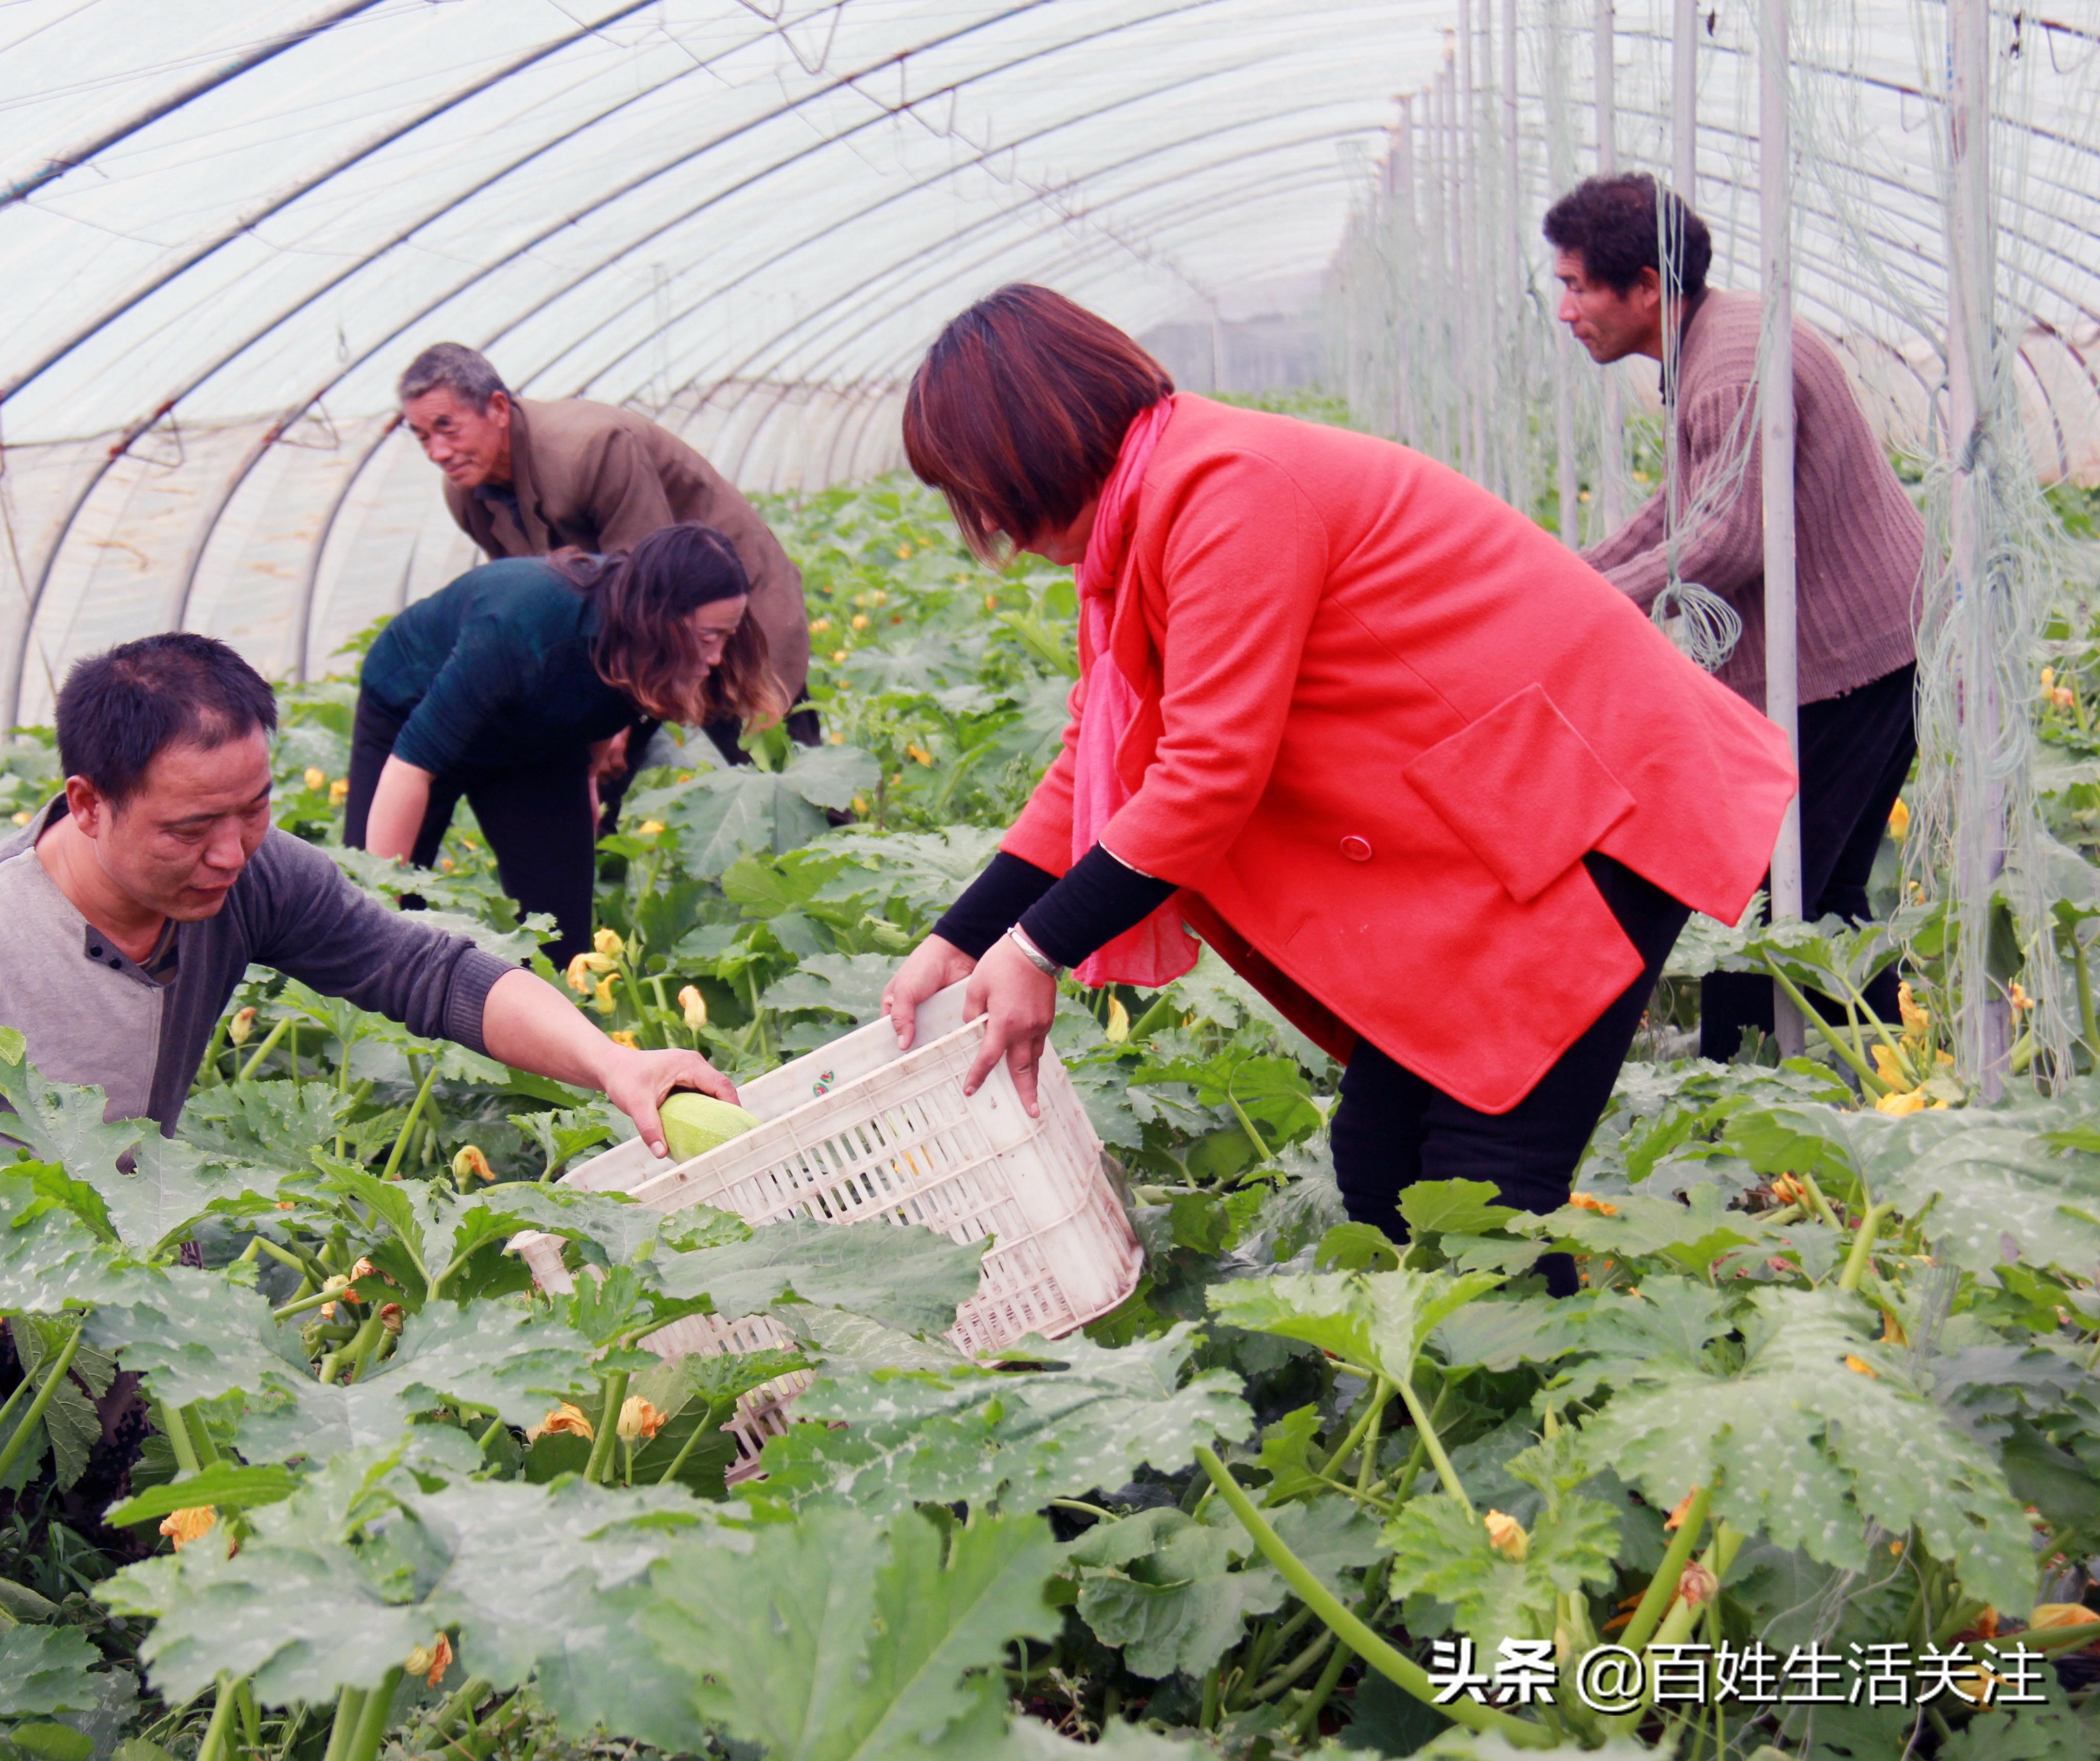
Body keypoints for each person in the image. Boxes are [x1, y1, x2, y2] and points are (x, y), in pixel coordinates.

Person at [876, 285, 1796, 1291]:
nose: (987, 526)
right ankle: (1451, 1416)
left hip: (1581, 810)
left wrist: (1038, 946)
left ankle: (1527, 1432)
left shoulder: (1227, 488)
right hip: (1495, 832)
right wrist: (958, 939)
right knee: (1381, 1160)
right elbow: (1097, 763)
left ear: (1030, 449)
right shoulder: (1150, 517)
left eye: (977, 490)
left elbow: (1209, 772)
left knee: (1486, 1186)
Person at [0, 631, 732, 1164]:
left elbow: (426, 974)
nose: (227, 853)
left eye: (255, 808)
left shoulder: (255, 871)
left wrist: (615, 1064)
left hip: (136, 1256)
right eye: (188, 828)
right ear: (90, 804)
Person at [1546, 173, 1924, 1056]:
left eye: (1574, 287)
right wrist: (1562, 579)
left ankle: (1748, 1099)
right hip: (1854, 656)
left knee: (1763, 912)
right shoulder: (1714, 341)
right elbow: (1684, 509)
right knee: (1817, 902)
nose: (1564, 311)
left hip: (1849, 667)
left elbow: (1725, 541)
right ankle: (1882, 1086)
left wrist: (1590, 606)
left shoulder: (1722, 369)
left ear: (1644, 286)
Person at [344, 522, 785, 960]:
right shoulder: (521, 627)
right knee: (381, 920)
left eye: (727, 636)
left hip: (532, 740)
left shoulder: (648, 654)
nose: (716, 657)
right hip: (409, 709)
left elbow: (595, 708)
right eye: (708, 638)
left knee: (560, 936)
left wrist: (587, 783)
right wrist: (382, 905)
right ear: (657, 620)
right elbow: (411, 767)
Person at [396, 342, 816, 766]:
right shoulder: (466, 492)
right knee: (586, 765)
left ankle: (837, 829)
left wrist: (617, 720)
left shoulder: (592, 448)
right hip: (630, 630)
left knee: (777, 768)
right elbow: (526, 598)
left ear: (499, 408)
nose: (438, 453)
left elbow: (652, 589)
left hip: (724, 605)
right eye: (423, 437)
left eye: (448, 429)